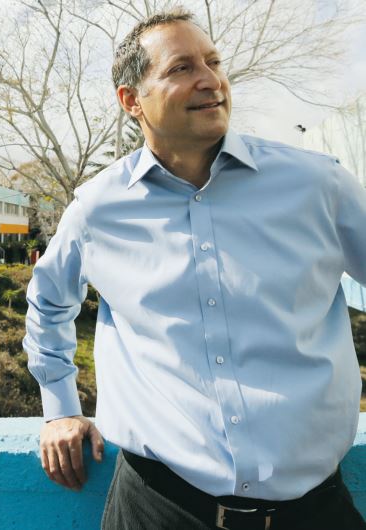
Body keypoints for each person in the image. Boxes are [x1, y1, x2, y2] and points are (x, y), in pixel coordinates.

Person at [24, 9, 366, 530]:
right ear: (131, 100)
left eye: (214, 62)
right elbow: (48, 303)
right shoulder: (98, 208)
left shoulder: (318, 184)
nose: (210, 80)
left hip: (314, 512)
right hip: (157, 508)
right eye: (181, 68)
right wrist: (61, 407)